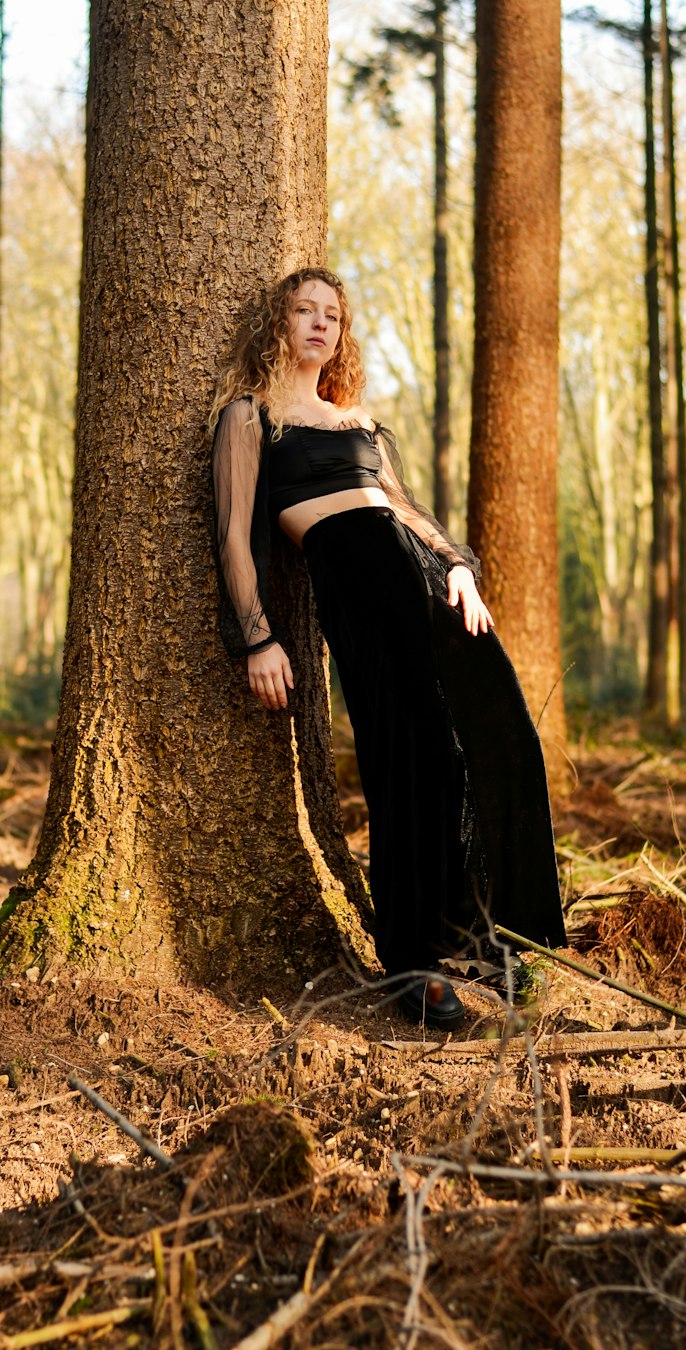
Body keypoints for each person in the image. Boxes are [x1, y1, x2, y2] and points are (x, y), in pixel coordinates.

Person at [210, 267, 566, 1030]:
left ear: (342, 334)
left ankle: (494, 938)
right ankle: (412, 957)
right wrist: (258, 637)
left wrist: (461, 571)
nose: (317, 324)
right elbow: (234, 538)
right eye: (303, 311)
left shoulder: (360, 422)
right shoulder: (250, 418)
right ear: (279, 324)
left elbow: (404, 510)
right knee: (403, 763)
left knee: (499, 743)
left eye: (330, 315)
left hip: (436, 593)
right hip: (365, 602)